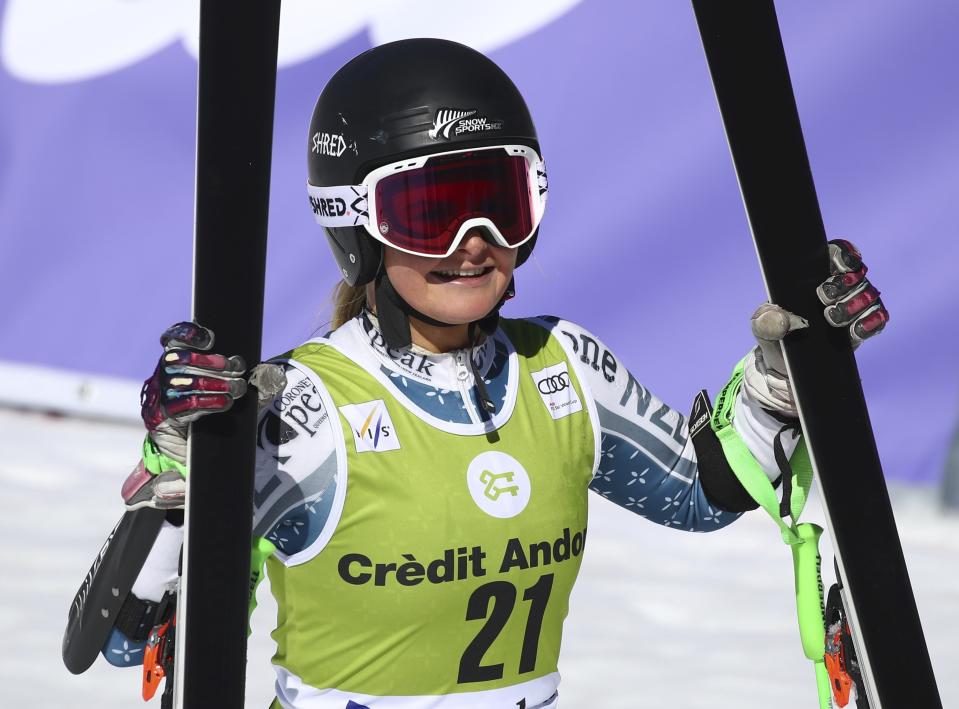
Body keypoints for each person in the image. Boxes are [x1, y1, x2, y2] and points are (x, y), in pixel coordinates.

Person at [100, 38, 888, 708]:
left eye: (498, 202)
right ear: (355, 225)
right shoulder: (302, 404)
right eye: (430, 211)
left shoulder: (562, 366)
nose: (473, 240)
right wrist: (176, 470)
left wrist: (782, 381)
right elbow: (118, 641)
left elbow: (699, 493)